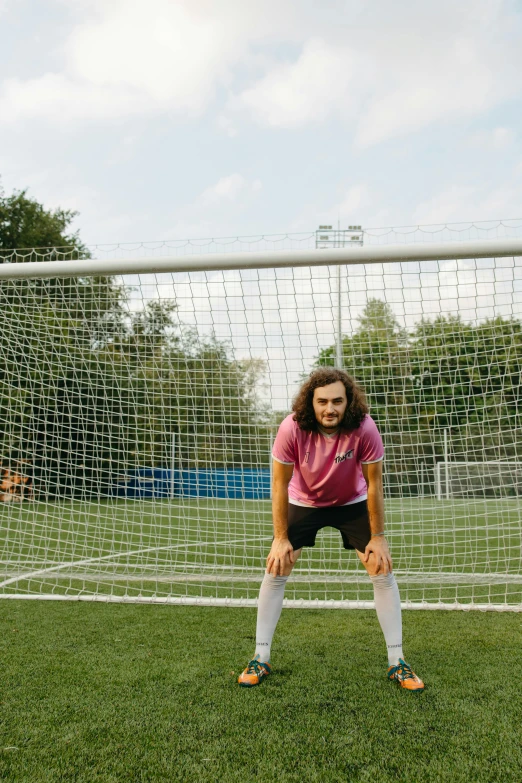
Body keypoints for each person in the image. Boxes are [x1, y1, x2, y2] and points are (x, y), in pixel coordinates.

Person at [238, 368, 424, 691]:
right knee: (277, 566)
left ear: (347, 401)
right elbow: (279, 485)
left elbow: (374, 483)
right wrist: (280, 538)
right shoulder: (291, 428)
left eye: (337, 401)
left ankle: (398, 662)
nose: (330, 409)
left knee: (380, 568)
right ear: (311, 402)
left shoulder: (364, 427)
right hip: (303, 500)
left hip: (350, 501)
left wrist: (378, 538)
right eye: (322, 401)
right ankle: (260, 657)